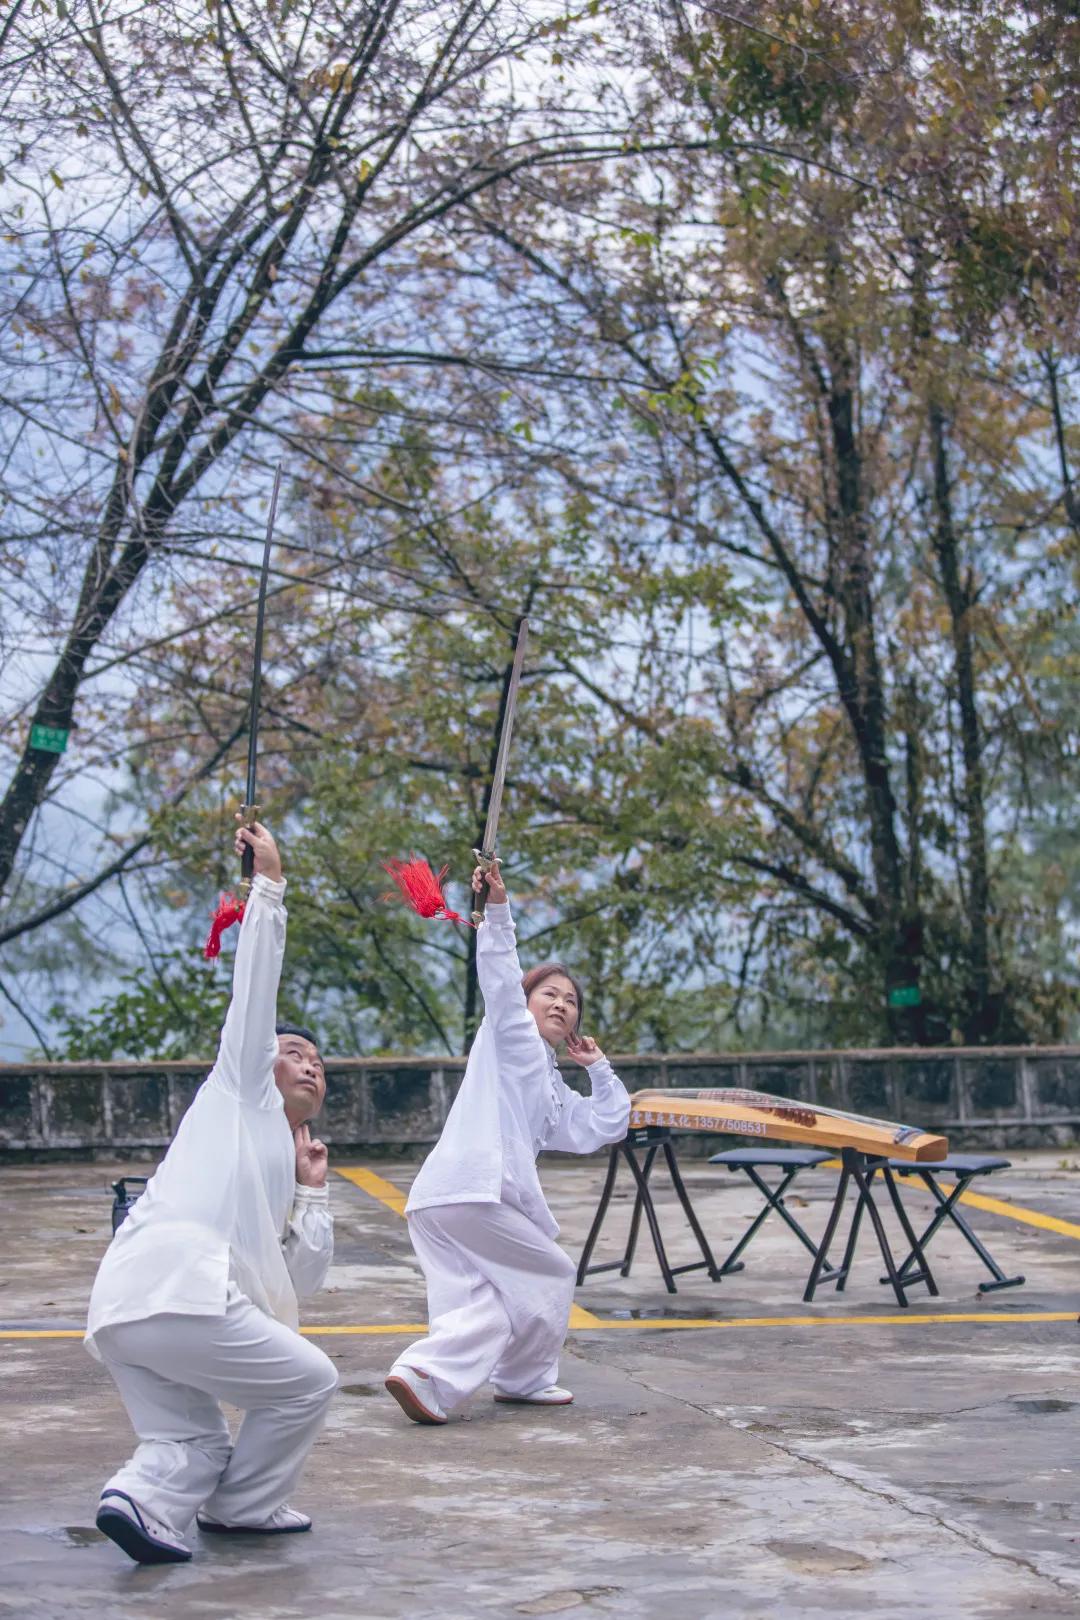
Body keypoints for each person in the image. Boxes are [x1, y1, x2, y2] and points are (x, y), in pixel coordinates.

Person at [85, 821, 337, 1565]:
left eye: (319, 1062)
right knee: (309, 1382)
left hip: (122, 1310)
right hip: (180, 1291)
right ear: (261, 1060)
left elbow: (295, 1285)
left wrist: (312, 1195)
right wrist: (269, 888)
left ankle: (137, 1499)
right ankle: (244, 1508)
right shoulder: (240, 1088)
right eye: (293, 1052)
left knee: (190, 1436)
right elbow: (254, 991)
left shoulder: (281, 1156)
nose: (309, 1065)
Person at [385, 859, 630, 1425]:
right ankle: (517, 1379)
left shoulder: (551, 1085)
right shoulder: (511, 1035)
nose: (561, 1004)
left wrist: (598, 1069)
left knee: (486, 1302)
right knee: (551, 1272)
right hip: (471, 1192)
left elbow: (605, 1125)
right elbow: (499, 972)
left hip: (440, 1199)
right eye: (550, 993)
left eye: (571, 1000)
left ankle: (426, 1381)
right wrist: (498, 909)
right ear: (526, 1002)